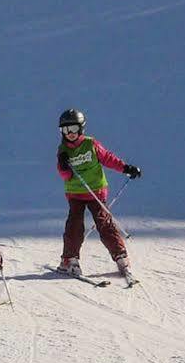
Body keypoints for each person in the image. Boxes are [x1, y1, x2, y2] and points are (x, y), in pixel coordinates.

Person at [55, 108, 140, 279]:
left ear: (81, 129)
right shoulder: (63, 149)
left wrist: (125, 168)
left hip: (96, 191)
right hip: (75, 193)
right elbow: (64, 175)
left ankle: (121, 256)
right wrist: (63, 165)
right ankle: (70, 260)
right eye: (65, 130)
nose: (69, 134)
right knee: (74, 225)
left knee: (104, 223)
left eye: (73, 129)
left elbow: (108, 158)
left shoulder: (90, 144)